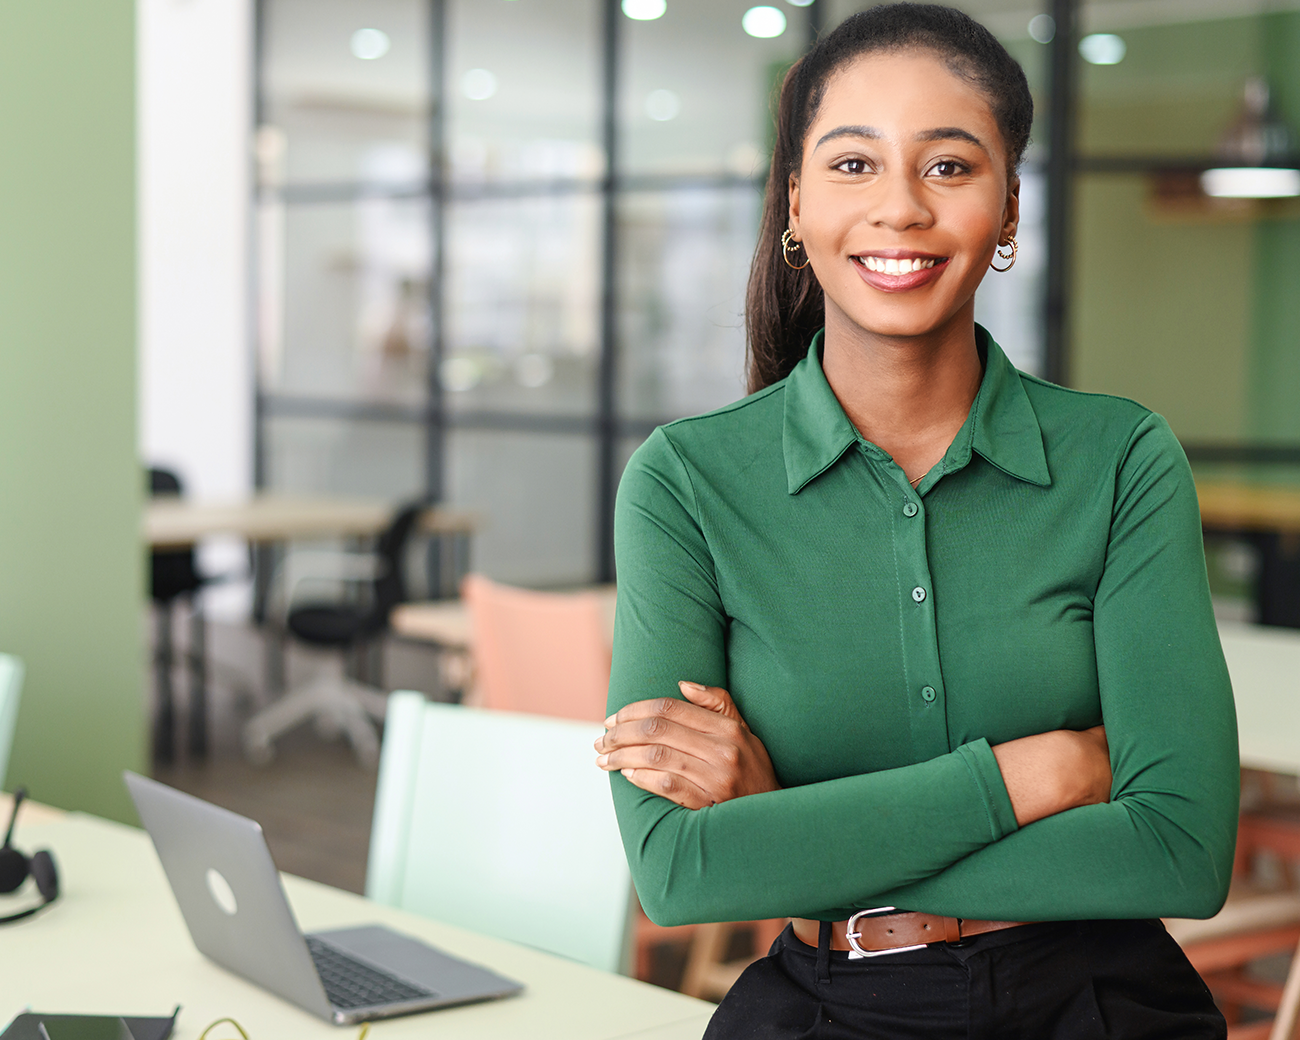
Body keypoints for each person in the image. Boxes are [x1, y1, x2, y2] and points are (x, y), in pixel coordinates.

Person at [594, 4, 1239, 1037]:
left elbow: (1180, 850)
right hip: (824, 1003)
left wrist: (788, 828)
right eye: (852, 166)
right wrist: (1040, 771)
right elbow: (679, 871)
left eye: (948, 166)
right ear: (795, 204)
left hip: (1099, 999)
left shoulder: (1119, 459)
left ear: (1010, 206)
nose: (899, 208)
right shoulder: (685, 482)